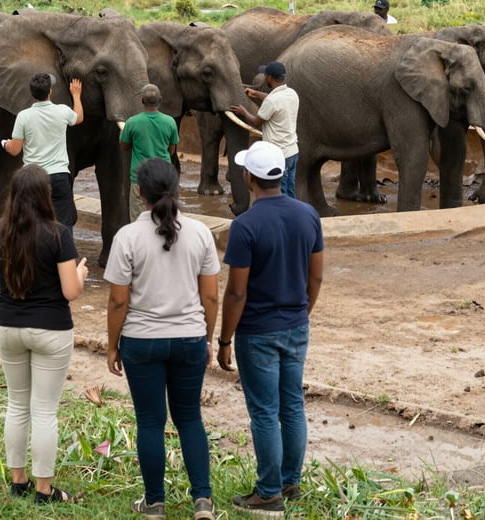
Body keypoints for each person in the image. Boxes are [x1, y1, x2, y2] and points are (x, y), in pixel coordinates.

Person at [105, 158, 220, 520]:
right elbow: (212, 297)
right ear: (177, 187)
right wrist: (208, 339)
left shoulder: (127, 237)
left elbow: (118, 300)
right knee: (190, 419)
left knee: (150, 422)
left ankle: (154, 502)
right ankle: (202, 500)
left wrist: (112, 344)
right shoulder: (201, 233)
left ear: (139, 192)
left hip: (142, 341)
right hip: (189, 339)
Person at [217, 141, 324, 517]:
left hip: (257, 331)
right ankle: (290, 481)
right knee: (292, 405)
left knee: (264, 412)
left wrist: (225, 339)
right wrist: (301, 313)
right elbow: (317, 276)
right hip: (296, 325)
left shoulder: (245, 225)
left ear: (249, 177)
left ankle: (268, 493)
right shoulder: (308, 214)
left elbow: (236, 292)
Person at [0, 164, 88, 505]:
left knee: (17, 405)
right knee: (44, 411)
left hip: (8, 326)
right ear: (47, 195)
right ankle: (45, 490)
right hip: (51, 330)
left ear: (12, 196)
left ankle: (18, 481)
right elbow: (71, 291)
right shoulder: (58, 234)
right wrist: (81, 273)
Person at [1, 72, 83, 230]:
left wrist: (5, 144)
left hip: (33, 178)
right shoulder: (62, 111)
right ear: (50, 91)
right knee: (63, 226)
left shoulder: (23, 117)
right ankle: (63, 254)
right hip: (59, 176)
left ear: (32, 93)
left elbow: (15, 150)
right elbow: (78, 117)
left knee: (31, 226)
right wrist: (76, 95)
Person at [229, 61, 299, 197]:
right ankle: (292, 216)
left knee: (281, 194)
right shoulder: (291, 93)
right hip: (293, 152)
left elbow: (256, 121)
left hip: (280, 155)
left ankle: (281, 217)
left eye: (265, 75)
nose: (264, 78)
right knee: (290, 191)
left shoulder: (272, 101)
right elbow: (274, 100)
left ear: (271, 78)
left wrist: (243, 112)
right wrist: (255, 93)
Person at [120, 83, 180, 221]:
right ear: (160, 99)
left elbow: (124, 146)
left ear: (141, 101)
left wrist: (124, 133)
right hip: (164, 177)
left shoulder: (132, 122)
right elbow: (171, 151)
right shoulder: (170, 122)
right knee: (166, 218)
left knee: (138, 219)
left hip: (140, 179)